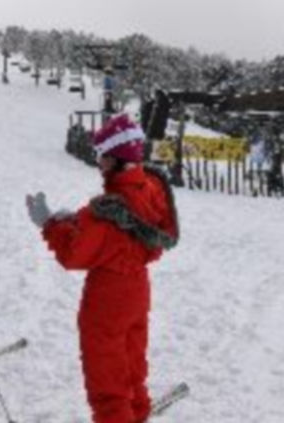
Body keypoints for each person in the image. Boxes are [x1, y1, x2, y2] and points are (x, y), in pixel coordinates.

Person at [26, 114, 179, 423]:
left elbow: (74, 254)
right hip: (137, 291)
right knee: (132, 371)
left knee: (107, 384)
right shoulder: (149, 189)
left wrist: (50, 224)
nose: (99, 163)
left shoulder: (108, 210)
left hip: (108, 299)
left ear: (118, 159)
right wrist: (76, 221)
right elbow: (125, 239)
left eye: (103, 156)